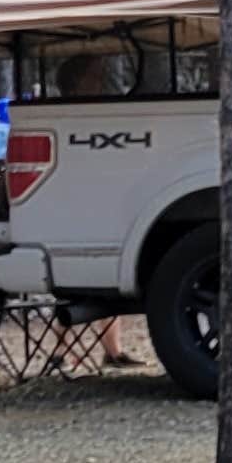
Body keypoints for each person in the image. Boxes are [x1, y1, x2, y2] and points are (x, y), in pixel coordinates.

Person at [58, 47, 140, 363]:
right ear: (78, 82)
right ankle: (61, 350)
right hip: (74, 201)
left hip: (102, 198)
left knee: (109, 275)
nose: (101, 81)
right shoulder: (65, 114)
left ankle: (112, 350)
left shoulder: (98, 110)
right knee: (73, 281)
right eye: (95, 76)